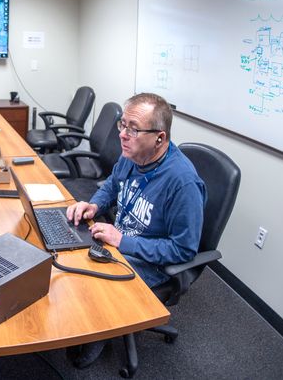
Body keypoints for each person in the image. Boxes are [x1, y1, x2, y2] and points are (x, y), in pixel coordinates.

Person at [65, 93, 206, 368]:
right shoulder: (133, 153)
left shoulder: (183, 183)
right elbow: (111, 185)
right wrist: (93, 206)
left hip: (154, 261)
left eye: (134, 128)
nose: (123, 135)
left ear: (160, 138)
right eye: (122, 124)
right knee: (69, 254)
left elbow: (184, 249)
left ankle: (100, 331)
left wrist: (122, 241)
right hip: (122, 240)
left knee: (92, 280)